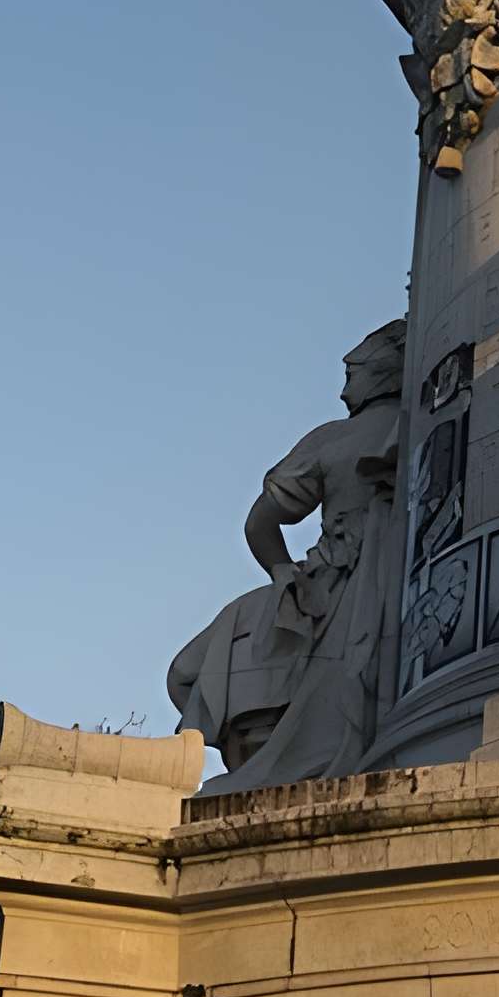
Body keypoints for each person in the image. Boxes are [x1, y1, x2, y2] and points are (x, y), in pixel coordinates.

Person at [166, 322, 405, 788]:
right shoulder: (425, 420)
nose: (342, 390)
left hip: (327, 587)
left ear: (377, 374)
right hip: (382, 582)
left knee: (187, 671)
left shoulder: (333, 439)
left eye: (351, 374)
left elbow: (259, 523)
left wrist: (283, 575)